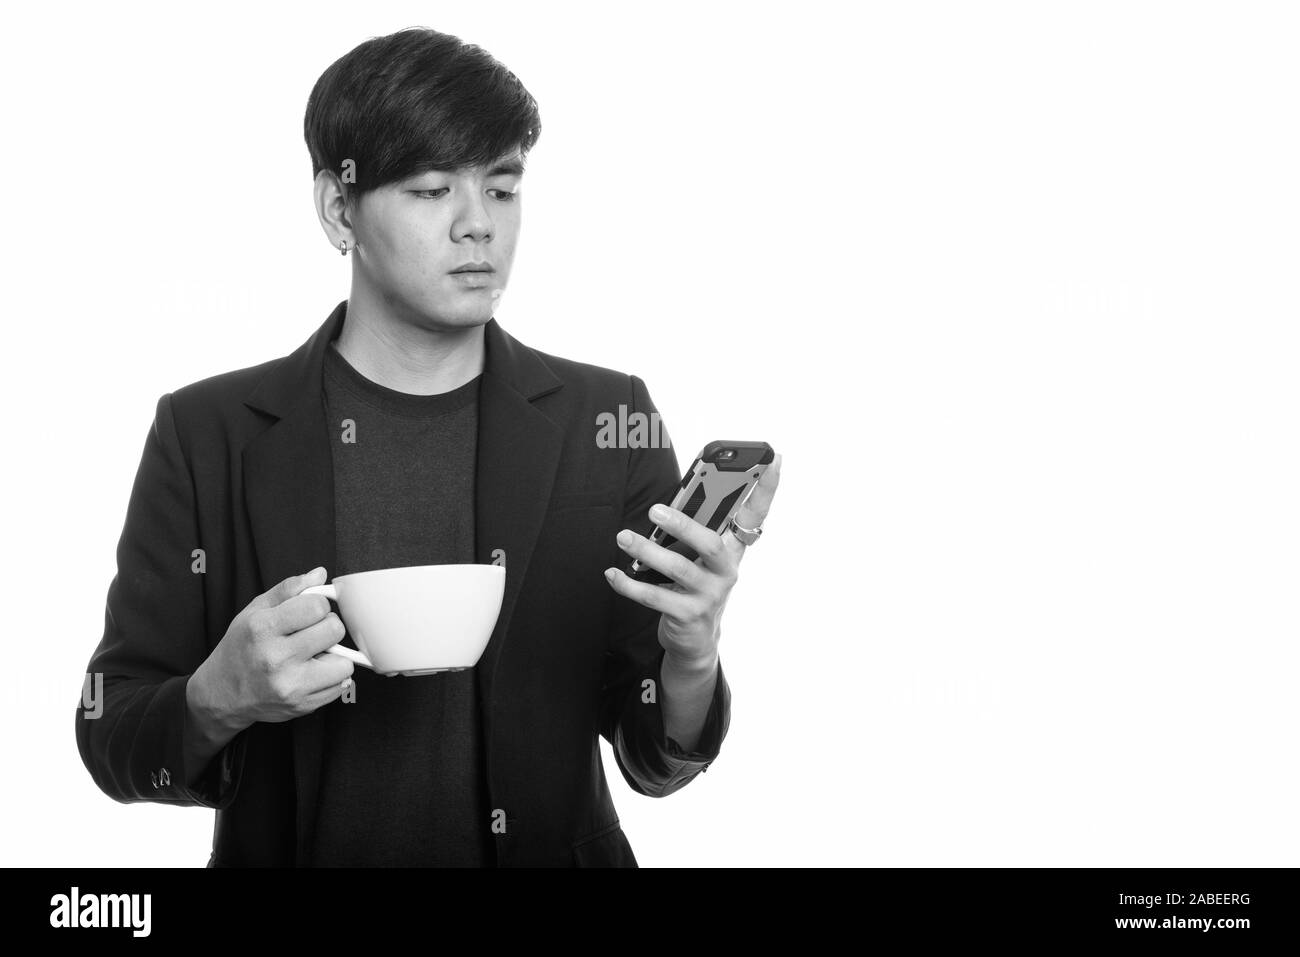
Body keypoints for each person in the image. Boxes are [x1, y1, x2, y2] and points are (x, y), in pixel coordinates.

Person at [75, 26, 781, 867]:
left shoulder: (609, 415)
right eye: (431, 190)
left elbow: (655, 757)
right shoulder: (206, 432)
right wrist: (217, 697)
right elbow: (110, 730)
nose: (478, 225)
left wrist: (692, 649)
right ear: (340, 210)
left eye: (504, 188)